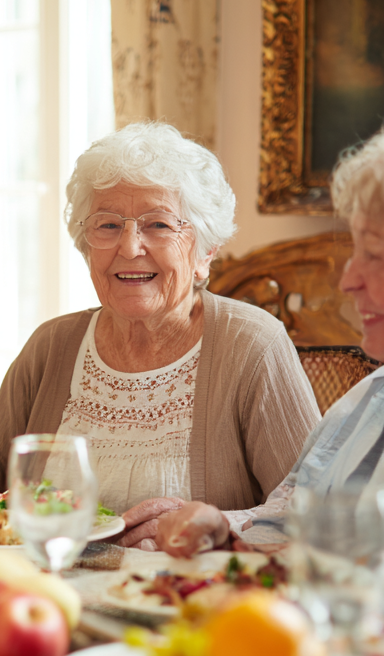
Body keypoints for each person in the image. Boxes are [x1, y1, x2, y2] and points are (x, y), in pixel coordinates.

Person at [0, 122, 321, 550]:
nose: (130, 246)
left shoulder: (251, 344)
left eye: (158, 224)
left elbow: (314, 509)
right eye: (107, 225)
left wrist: (221, 524)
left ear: (205, 251)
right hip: (47, 595)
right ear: (86, 245)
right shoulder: (53, 345)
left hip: (187, 604)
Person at [154, 128, 384, 556]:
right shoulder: (368, 400)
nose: (348, 280)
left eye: (374, 254)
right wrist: (223, 525)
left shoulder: (249, 340)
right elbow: (290, 519)